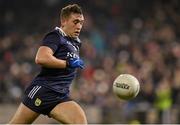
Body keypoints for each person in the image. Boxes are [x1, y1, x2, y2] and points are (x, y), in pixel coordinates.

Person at [9, 4, 87, 124]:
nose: (79, 26)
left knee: (79, 121)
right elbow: (41, 58)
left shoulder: (76, 43)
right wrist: (67, 63)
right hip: (44, 91)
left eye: (81, 22)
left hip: (60, 95)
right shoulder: (55, 36)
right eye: (75, 22)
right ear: (64, 21)